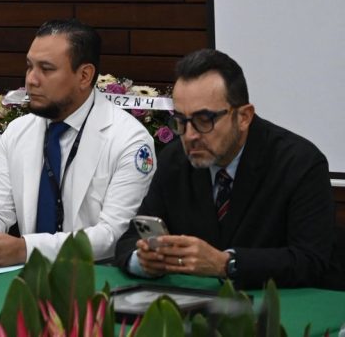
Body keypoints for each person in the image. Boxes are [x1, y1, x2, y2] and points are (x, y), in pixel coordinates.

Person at [115, 49, 340, 289]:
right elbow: (130, 240)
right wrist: (144, 260)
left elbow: (310, 260)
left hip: (277, 306)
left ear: (244, 117)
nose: (190, 135)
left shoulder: (299, 163)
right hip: (192, 303)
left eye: (204, 120)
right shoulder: (175, 159)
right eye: (180, 121)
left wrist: (227, 264)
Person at [0, 19, 155, 268]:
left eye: (46, 69)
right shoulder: (17, 131)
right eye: (29, 66)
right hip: (28, 276)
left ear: (84, 76)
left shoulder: (129, 140)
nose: (31, 80)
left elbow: (114, 235)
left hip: (96, 277)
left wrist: (25, 249)